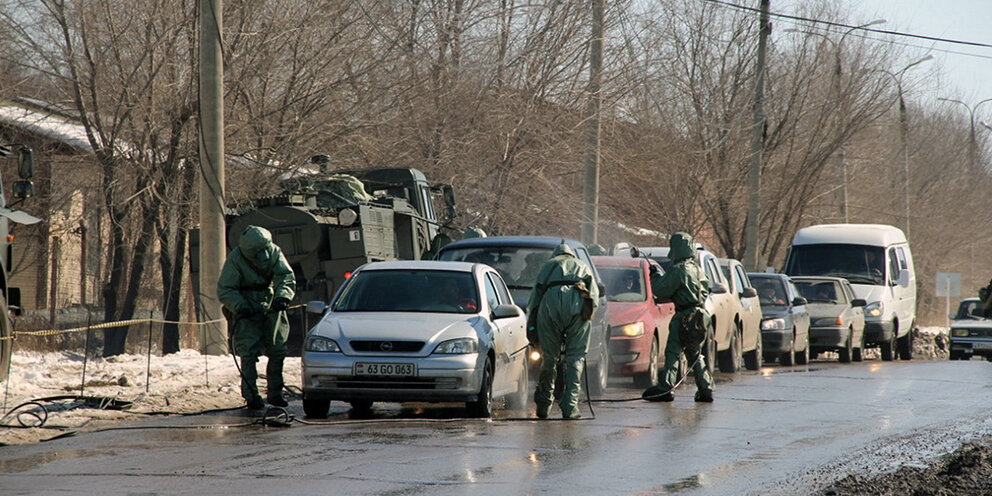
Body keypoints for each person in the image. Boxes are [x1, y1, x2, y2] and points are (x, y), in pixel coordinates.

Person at [218, 226, 297, 410]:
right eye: (258, 252)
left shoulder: (274, 251)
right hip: (246, 305)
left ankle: (275, 394)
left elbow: (285, 275)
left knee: (278, 348)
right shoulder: (235, 260)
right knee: (248, 353)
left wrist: (282, 297)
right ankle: (251, 396)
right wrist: (240, 306)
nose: (264, 256)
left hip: (271, 302)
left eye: (265, 250)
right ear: (248, 252)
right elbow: (226, 289)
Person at [527, 242, 599, 419]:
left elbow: (535, 300)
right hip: (578, 302)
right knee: (575, 357)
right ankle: (570, 406)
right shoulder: (583, 266)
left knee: (549, 358)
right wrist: (587, 314)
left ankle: (544, 404)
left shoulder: (548, 266)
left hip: (549, 303)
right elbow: (594, 296)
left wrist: (532, 327)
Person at [643, 232, 714, 403]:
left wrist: (653, 275)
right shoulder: (698, 270)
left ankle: (666, 387)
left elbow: (661, 289)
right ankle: (706, 388)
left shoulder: (679, 269)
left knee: (673, 351)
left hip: (684, 316)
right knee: (695, 353)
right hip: (701, 315)